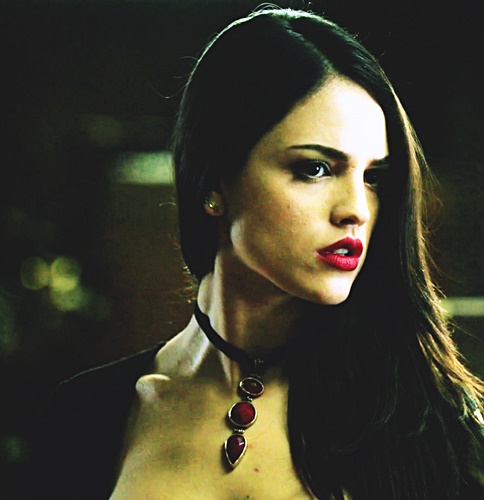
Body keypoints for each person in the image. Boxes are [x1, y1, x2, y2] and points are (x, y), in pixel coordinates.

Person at [33, 7, 484, 499]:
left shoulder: (429, 426)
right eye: (314, 169)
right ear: (214, 179)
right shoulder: (85, 415)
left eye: (373, 177)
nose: (356, 209)